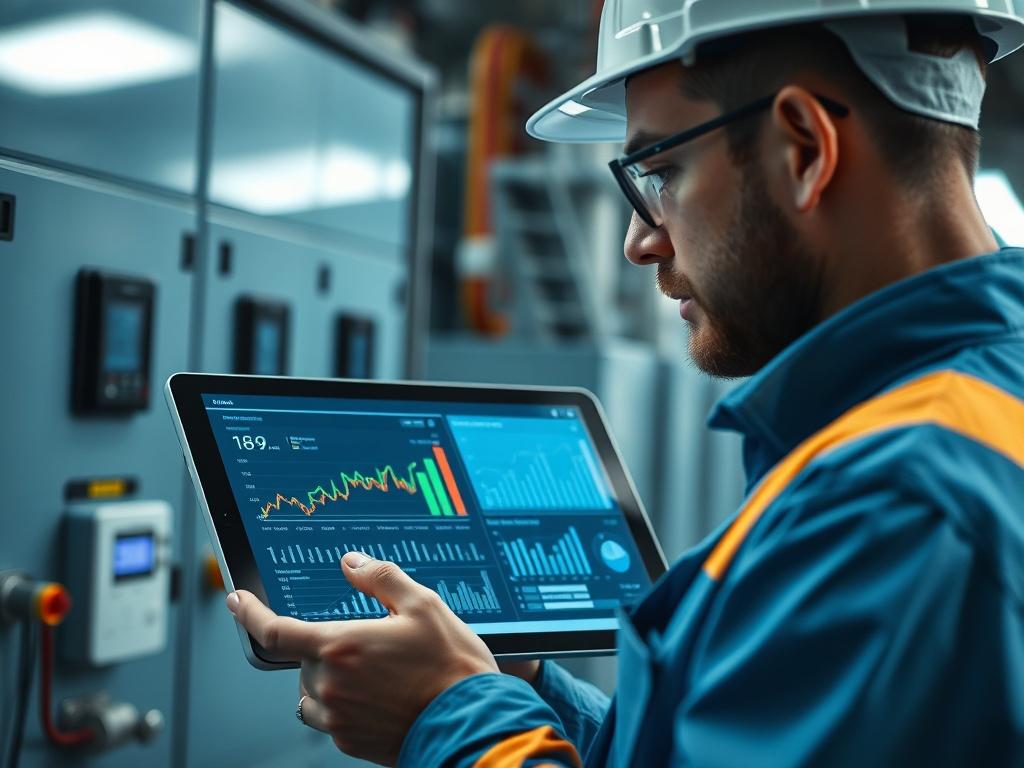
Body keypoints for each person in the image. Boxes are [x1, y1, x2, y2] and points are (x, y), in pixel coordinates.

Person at [226, 1, 1024, 765]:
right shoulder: (969, 406)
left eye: (662, 170)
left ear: (804, 150)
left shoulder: (895, 510)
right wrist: (513, 686)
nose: (641, 241)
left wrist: (448, 717)